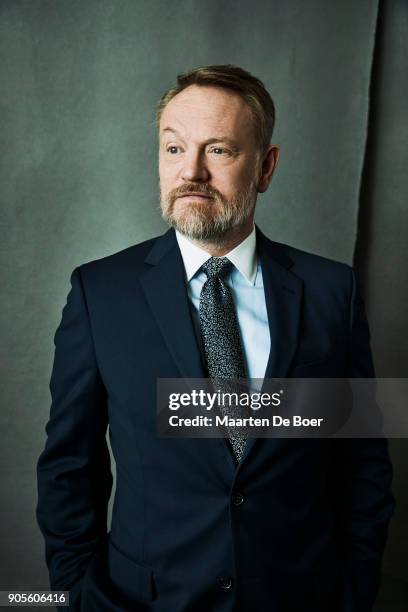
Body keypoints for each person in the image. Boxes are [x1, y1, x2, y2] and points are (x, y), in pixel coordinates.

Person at [36, 65, 395, 612]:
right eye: (174, 149)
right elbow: (69, 471)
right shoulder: (99, 294)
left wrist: (352, 594)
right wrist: (79, 599)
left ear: (267, 167)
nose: (191, 172)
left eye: (219, 151)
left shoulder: (331, 293)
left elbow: (362, 463)